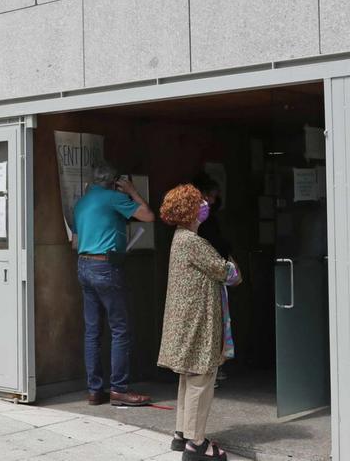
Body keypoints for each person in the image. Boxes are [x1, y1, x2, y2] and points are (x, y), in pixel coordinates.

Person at [158, 184, 242, 460]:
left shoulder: (179, 238)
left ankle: (182, 434)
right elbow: (226, 271)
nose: (205, 205)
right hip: (197, 322)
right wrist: (231, 262)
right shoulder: (193, 242)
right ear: (191, 211)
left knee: (188, 376)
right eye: (200, 202)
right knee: (201, 378)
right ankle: (197, 444)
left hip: (185, 320)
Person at [73, 163, 155, 406]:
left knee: (92, 331)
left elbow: (78, 234)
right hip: (105, 266)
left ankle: (95, 390)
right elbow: (148, 215)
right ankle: (119, 389)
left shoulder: (82, 202)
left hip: (84, 265)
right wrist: (132, 190)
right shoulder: (113, 198)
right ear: (113, 181)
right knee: (120, 329)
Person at [191, 173, 234, 386]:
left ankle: (214, 367)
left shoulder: (205, 221)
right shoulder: (197, 229)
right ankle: (211, 368)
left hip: (212, 273)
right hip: (210, 275)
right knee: (213, 322)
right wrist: (228, 262)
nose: (215, 201)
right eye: (212, 196)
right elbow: (214, 247)